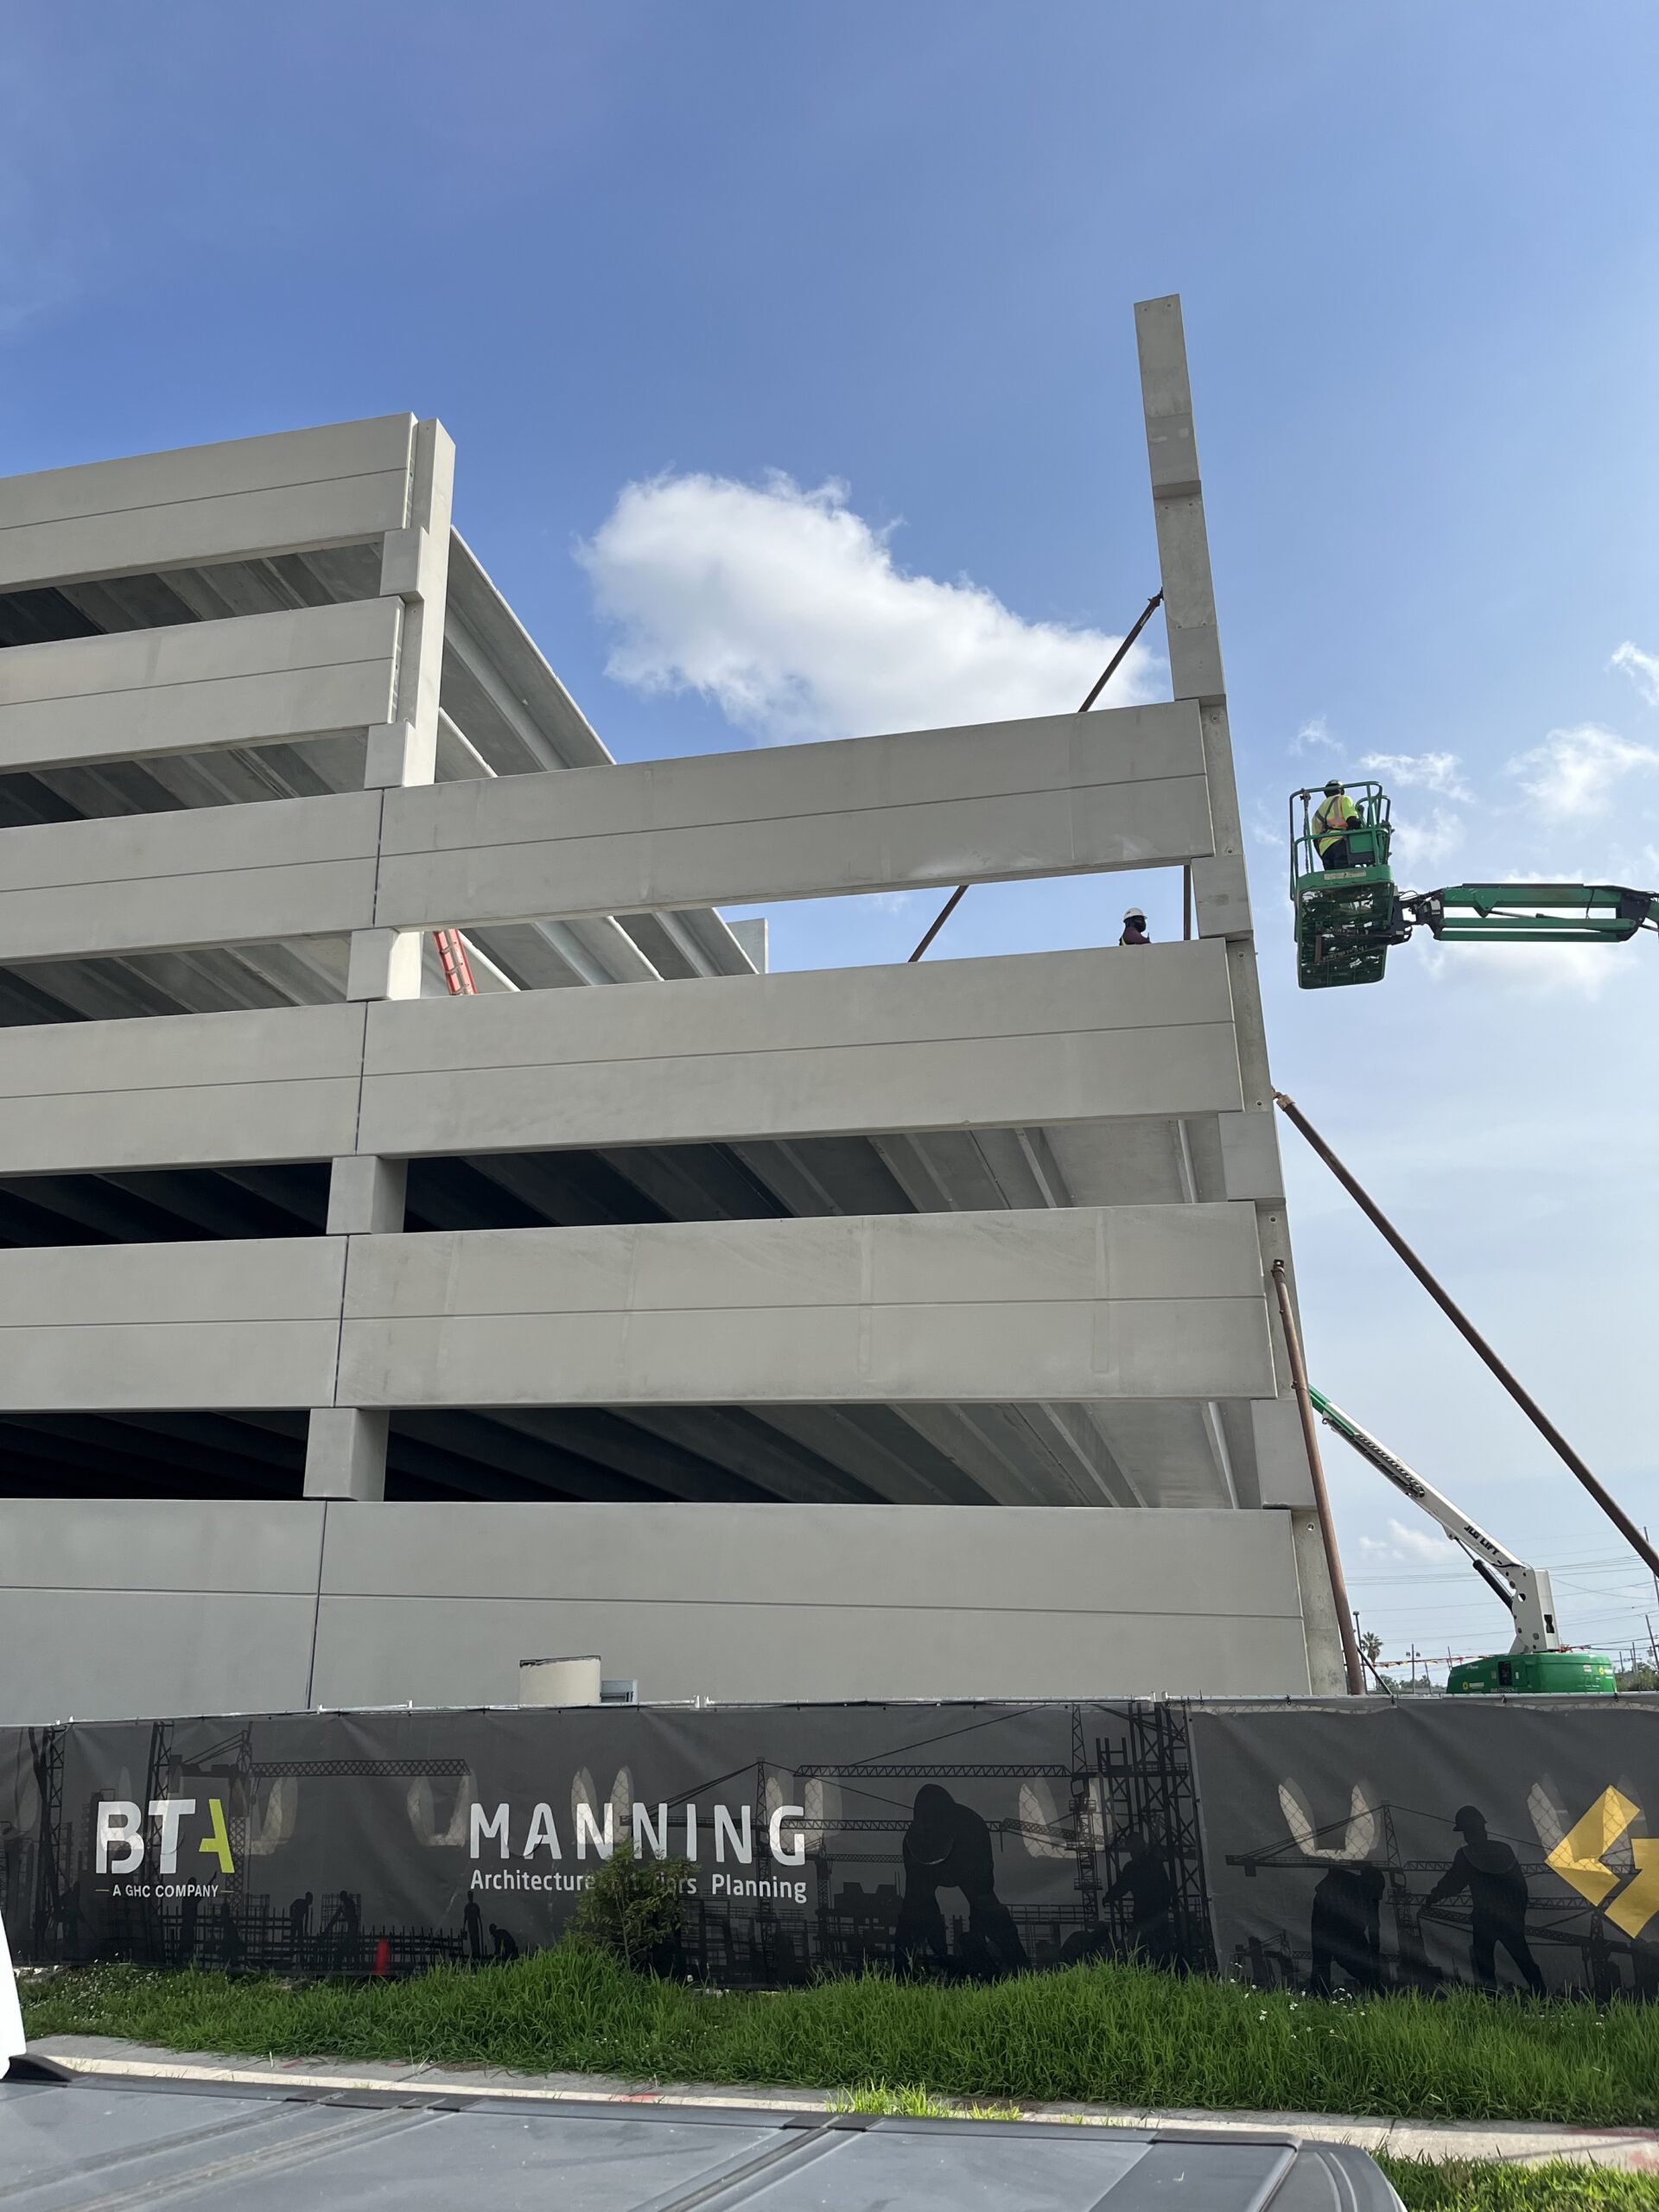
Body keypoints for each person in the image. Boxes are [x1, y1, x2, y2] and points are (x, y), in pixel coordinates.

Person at [895, 1783, 1027, 1977]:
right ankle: (899, 1975)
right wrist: (939, 1950)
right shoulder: (913, 1842)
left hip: (969, 1860)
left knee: (986, 1908)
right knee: (914, 1912)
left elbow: (983, 1899)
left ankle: (1020, 1969)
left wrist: (976, 1942)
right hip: (927, 1866)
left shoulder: (973, 1831)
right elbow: (917, 1904)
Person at [1423, 1805, 1545, 1996]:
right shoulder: (1503, 1850)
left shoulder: (1466, 1855)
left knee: (1485, 1968)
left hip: (1485, 1918)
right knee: (1524, 1961)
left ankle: (1491, 2002)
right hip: (1509, 1918)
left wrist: (1434, 1896)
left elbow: (1453, 1883)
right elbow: (1521, 1887)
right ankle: (1542, 1997)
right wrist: (1518, 1914)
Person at [1308, 1862, 1384, 1996]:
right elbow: (1373, 1931)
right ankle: (1320, 1999)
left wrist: (1373, 1963)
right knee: (1323, 1964)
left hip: (1339, 1925)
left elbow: (1374, 1930)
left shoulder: (1367, 1892)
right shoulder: (1341, 1885)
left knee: (1326, 1964)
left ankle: (1376, 1992)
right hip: (1332, 1923)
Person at [1312, 779, 1361, 869]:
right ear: (1342, 791)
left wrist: (1323, 856)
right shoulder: (1343, 799)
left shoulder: (1316, 814)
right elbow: (1352, 821)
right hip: (1341, 844)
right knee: (1346, 874)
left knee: (1333, 878)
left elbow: (1315, 841)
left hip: (1324, 851)